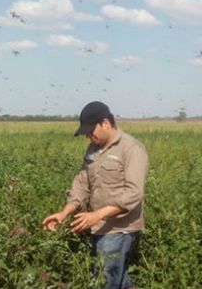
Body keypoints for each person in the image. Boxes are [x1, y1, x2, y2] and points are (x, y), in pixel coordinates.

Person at [42, 101, 149, 289]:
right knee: (119, 280)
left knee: (104, 282)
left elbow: (134, 194)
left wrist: (97, 215)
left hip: (120, 229)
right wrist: (64, 213)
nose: (89, 137)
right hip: (98, 226)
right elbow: (82, 183)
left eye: (92, 131)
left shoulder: (131, 149)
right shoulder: (93, 150)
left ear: (106, 123)